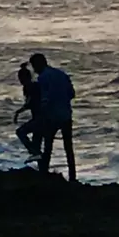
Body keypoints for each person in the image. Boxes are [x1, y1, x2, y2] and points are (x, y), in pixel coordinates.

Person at [29, 52, 76, 182]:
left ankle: (44, 174)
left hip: (51, 116)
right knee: (68, 148)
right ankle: (73, 177)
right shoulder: (62, 75)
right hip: (66, 115)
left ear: (38, 64)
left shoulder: (43, 78)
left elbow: (45, 99)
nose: (34, 70)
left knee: (48, 146)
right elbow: (72, 94)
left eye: (34, 66)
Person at [14, 62, 43, 158]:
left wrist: (18, 112)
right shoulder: (33, 86)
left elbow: (30, 102)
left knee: (20, 132)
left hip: (40, 118)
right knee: (37, 144)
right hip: (39, 118)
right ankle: (41, 167)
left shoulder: (30, 87)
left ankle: (34, 152)